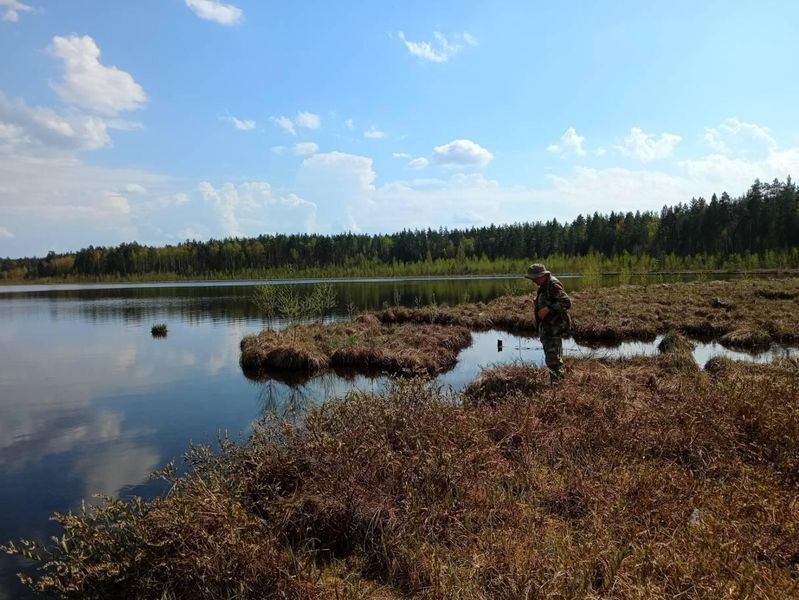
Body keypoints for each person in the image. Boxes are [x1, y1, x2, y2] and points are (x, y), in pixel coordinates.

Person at [525, 263, 572, 383]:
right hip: (549, 327)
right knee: (554, 356)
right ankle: (557, 381)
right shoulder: (544, 285)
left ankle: (557, 385)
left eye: (534, 278)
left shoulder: (553, 285)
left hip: (554, 327)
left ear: (542, 275)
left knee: (553, 359)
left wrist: (547, 308)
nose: (533, 281)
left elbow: (566, 302)